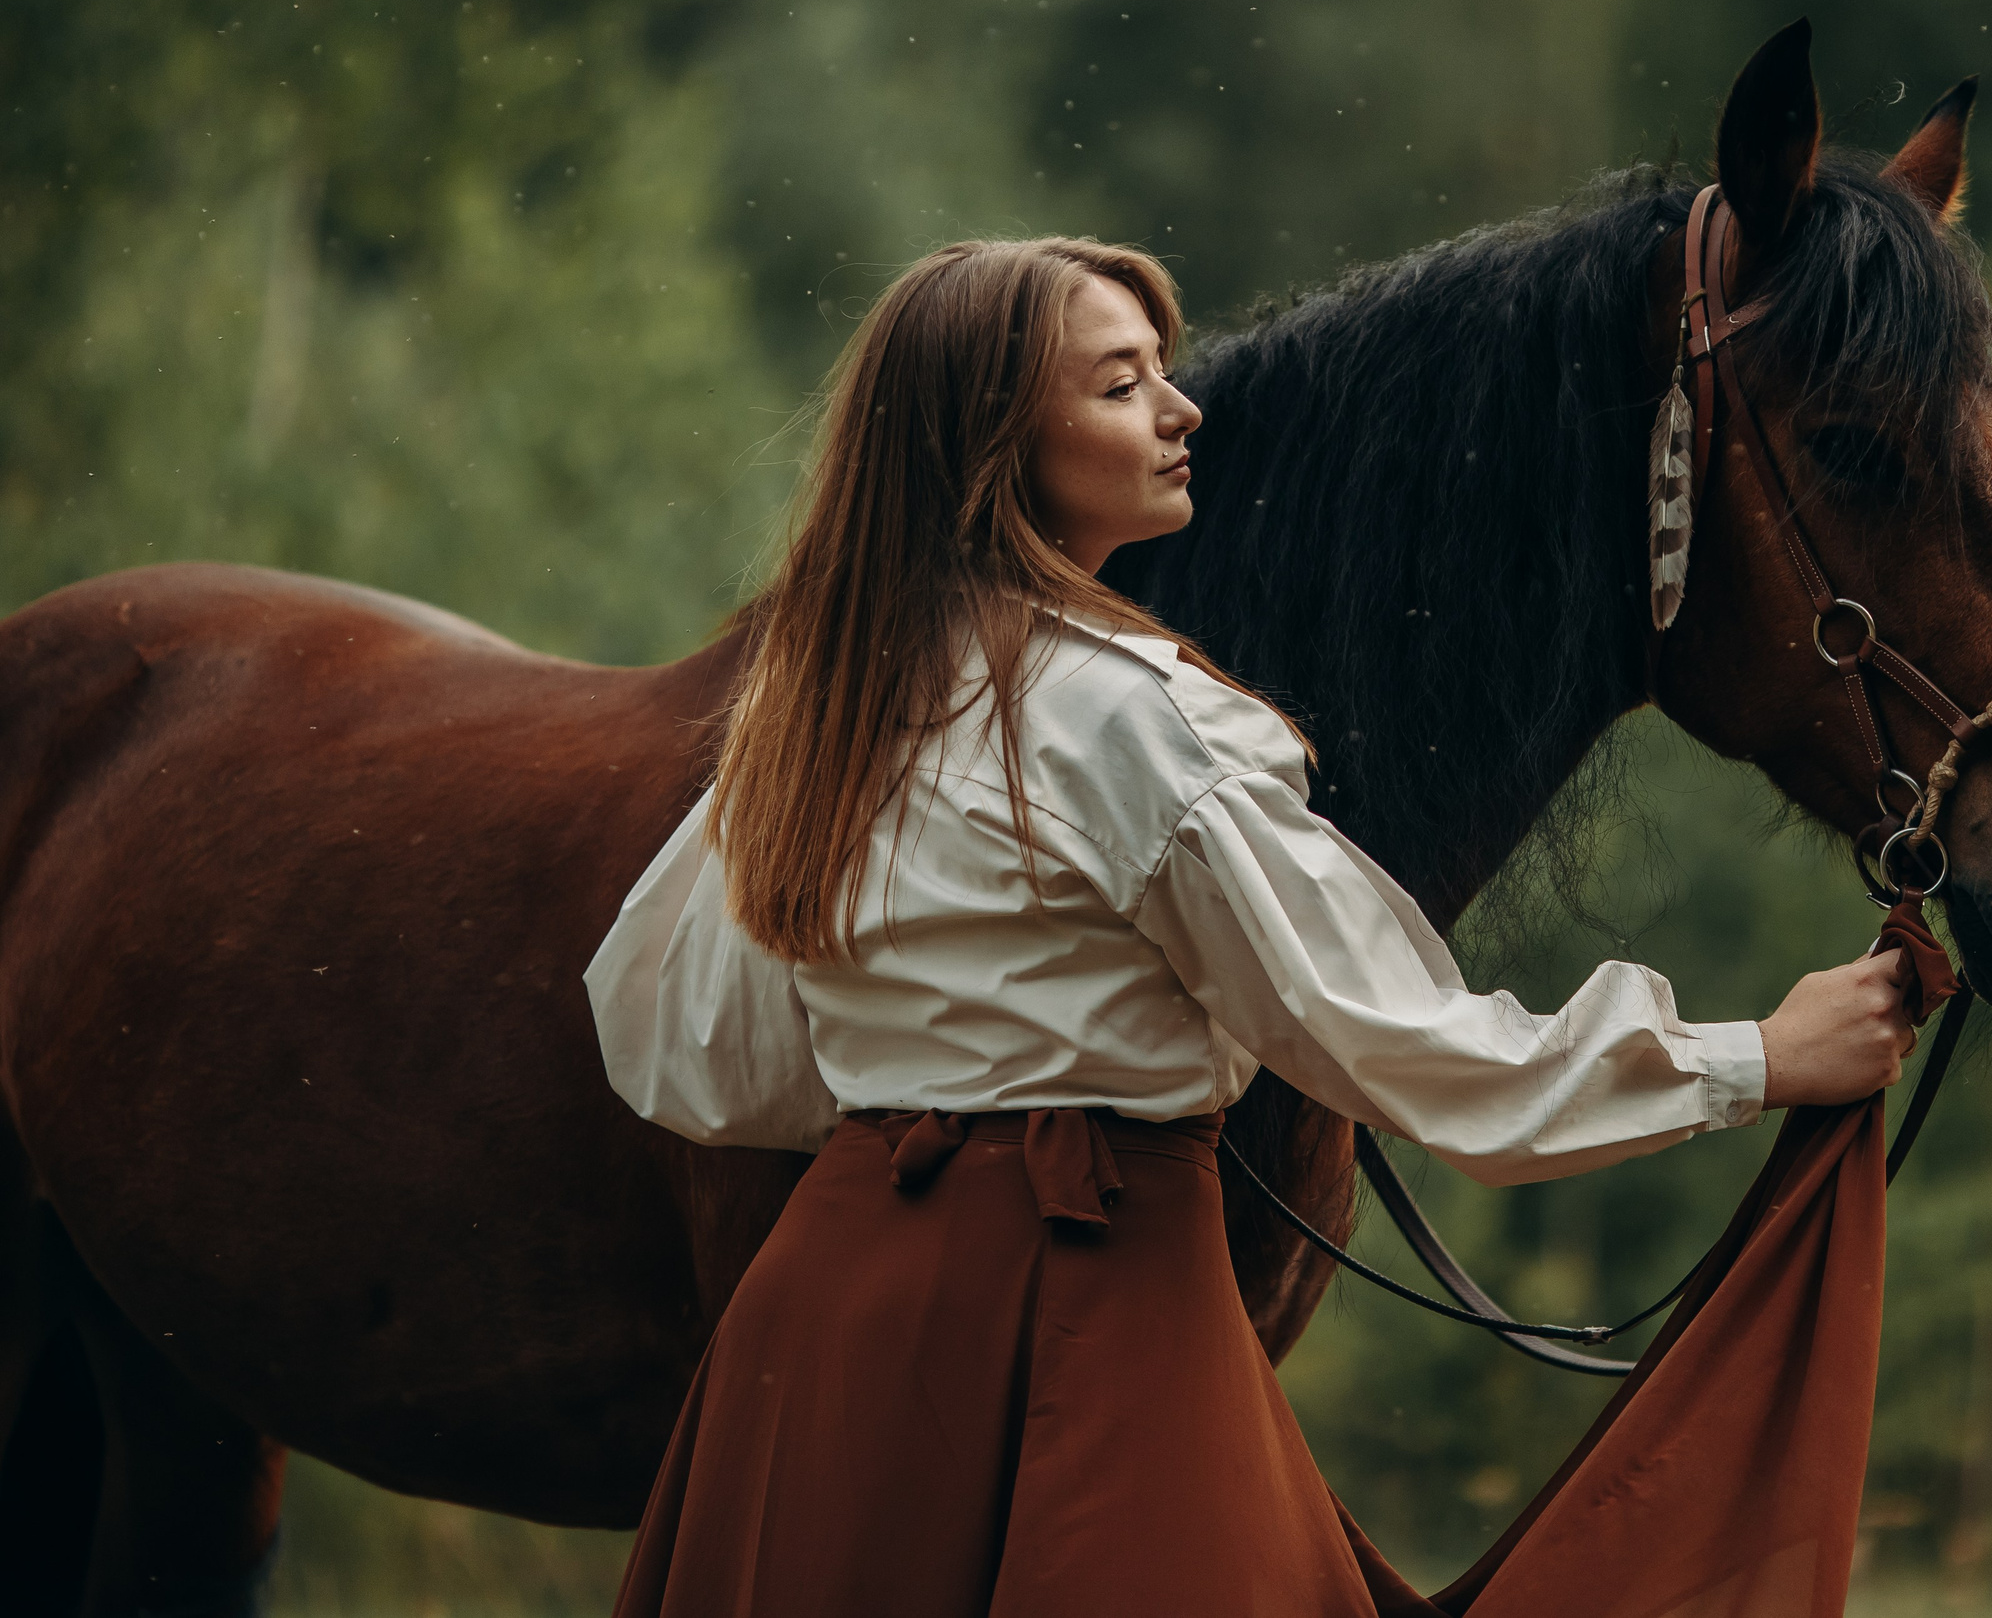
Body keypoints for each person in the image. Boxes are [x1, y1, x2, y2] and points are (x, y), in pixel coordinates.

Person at [584, 236, 1917, 1617]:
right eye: (1119, 385)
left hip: (827, 1328)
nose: (1182, 410)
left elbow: (672, 1038)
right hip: (1096, 1298)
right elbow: (1407, 1053)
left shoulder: (816, 708)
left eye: (1165, 370)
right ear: (992, 440)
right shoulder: (1135, 722)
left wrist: (921, 1104)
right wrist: (1757, 1055)